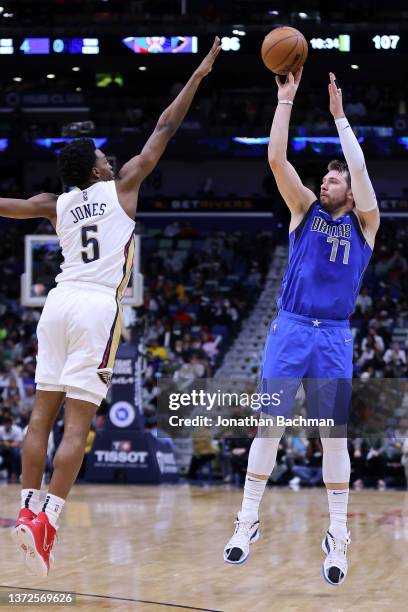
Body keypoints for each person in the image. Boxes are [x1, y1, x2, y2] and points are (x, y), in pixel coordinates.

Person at [1, 37, 221, 578]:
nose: (108, 156)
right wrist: (197, 74)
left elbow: (8, 208)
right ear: (98, 170)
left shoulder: (55, 205)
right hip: (97, 307)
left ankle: (26, 510)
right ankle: (48, 520)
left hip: (55, 304)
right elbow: (165, 128)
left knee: (40, 417)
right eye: (102, 154)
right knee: (78, 425)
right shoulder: (123, 187)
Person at [223, 70, 380, 587]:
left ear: (351, 192)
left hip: (334, 335)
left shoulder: (365, 224)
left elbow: (357, 169)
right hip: (291, 328)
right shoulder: (304, 211)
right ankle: (247, 523)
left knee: (333, 437)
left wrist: (339, 117)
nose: (325, 182)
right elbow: (275, 159)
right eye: (325, 178)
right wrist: (285, 101)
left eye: (335, 180)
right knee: (269, 425)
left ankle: (338, 535)